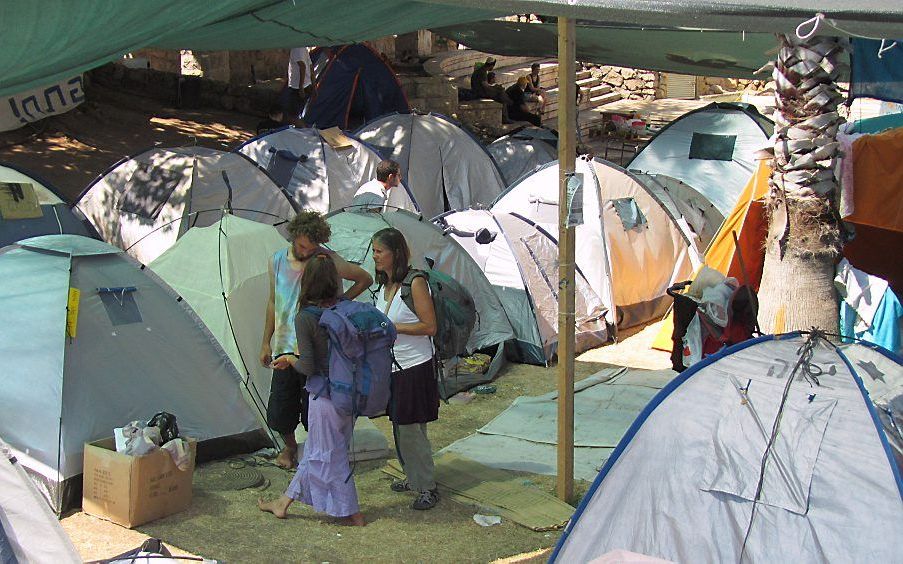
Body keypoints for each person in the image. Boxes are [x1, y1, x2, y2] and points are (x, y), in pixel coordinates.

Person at [258, 254, 366, 526]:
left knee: (329, 454)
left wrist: (290, 359)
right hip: (349, 392)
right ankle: (283, 503)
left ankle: (353, 513)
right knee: (318, 451)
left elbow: (307, 366)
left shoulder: (305, 317)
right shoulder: (345, 308)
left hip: (324, 395)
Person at [260, 211, 372, 469]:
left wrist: (340, 305)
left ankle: (316, 451)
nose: (305, 252)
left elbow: (365, 278)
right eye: (301, 246)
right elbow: (273, 302)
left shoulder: (326, 260)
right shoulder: (277, 260)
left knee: (318, 410)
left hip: (320, 350)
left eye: (311, 248)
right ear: (294, 236)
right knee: (280, 410)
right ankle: (289, 447)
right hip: (285, 347)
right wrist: (266, 341)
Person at [371, 228, 441, 511]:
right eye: (373, 250)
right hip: (394, 367)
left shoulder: (415, 283)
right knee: (400, 425)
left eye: (379, 251)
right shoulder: (385, 285)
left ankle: (426, 486)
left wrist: (391, 328)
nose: (374, 256)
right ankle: (413, 476)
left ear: (394, 253)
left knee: (411, 429)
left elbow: (429, 326)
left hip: (414, 366)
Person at [279, 47, 313, 126]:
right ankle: (302, 130)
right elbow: (311, 67)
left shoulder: (295, 49)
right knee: (299, 114)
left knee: (292, 115)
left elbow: (303, 66)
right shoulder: (304, 49)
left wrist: (300, 87)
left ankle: (303, 131)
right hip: (307, 85)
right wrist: (314, 86)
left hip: (297, 88)